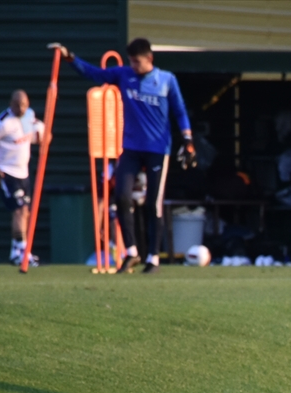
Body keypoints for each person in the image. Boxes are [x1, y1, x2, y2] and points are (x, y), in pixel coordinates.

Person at [48, 38, 194, 274]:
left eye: (137, 62)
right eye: (131, 61)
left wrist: (188, 140)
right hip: (131, 148)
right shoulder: (124, 75)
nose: (134, 66)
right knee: (122, 197)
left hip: (157, 150)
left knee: (153, 204)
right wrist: (70, 58)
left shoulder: (166, 80)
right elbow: (94, 74)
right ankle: (132, 252)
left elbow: (180, 110)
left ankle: (153, 258)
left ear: (149, 59)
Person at [0, 90, 44, 269]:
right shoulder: (3, 123)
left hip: (23, 173)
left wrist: (42, 136)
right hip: (7, 172)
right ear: (10, 104)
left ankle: (15, 253)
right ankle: (24, 253)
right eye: (17, 105)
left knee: (25, 212)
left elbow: (37, 137)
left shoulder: (29, 116)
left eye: (24, 105)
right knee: (19, 210)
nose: (21, 109)